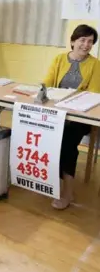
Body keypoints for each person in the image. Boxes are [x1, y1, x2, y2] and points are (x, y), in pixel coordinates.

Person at [43, 24, 100, 210]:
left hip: (79, 117)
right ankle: (45, 179)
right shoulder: (60, 59)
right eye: (82, 40)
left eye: (90, 41)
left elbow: (93, 95)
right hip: (56, 111)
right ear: (73, 41)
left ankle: (67, 191)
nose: (86, 45)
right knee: (35, 130)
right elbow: (48, 83)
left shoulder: (95, 64)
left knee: (66, 140)